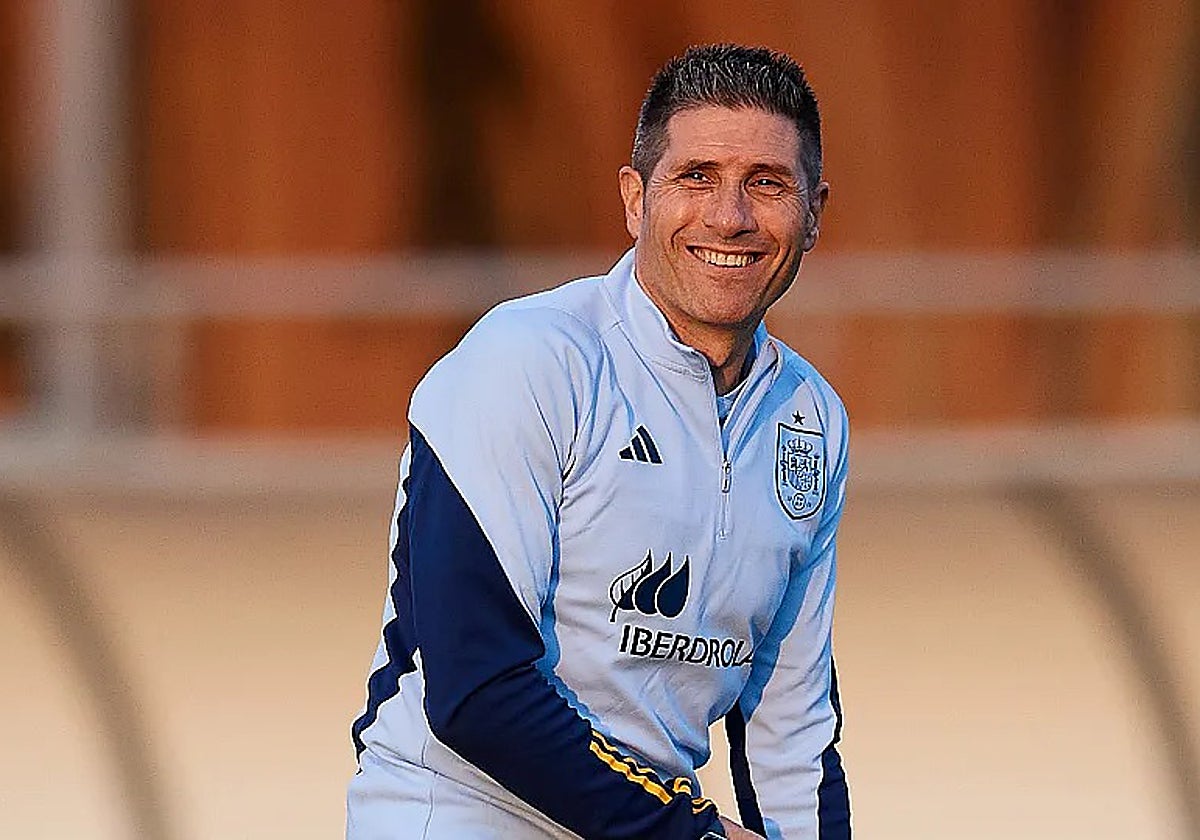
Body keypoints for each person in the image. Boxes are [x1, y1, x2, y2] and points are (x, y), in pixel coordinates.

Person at [347, 43, 850, 840]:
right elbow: (477, 689)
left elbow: (790, 729)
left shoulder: (811, 417)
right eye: (697, 177)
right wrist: (692, 834)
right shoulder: (527, 360)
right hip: (463, 816)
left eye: (767, 183)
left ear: (814, 212)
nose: (730, 217)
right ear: (634, 200)